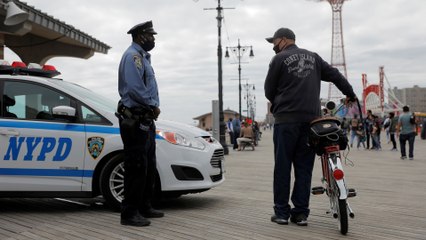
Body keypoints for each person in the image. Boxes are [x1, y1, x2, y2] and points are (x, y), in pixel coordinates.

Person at [264, 27, 356, 226]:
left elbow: (268, 91)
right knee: (304, 169)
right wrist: (350, 93)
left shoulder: (278, 60)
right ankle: (301, 214)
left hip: (285, 122)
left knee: (282, 167)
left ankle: (281, 213)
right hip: (312, 123)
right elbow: (335, 75)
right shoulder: (314, 58)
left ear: (283, 40)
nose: (274, 46)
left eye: (274, 42)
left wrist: (281, 103)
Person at [117, 20, 164, 227]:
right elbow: (136, 89)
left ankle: (144, 206)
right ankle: (129, 213)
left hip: (145, 119)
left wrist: (152, 109)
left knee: (148, 165)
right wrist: (153, 104)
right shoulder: (132, 57)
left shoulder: (143, 58)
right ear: (140, 36)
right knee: (136, 166)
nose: (153, 39)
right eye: (150, 35)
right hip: (135, 119)